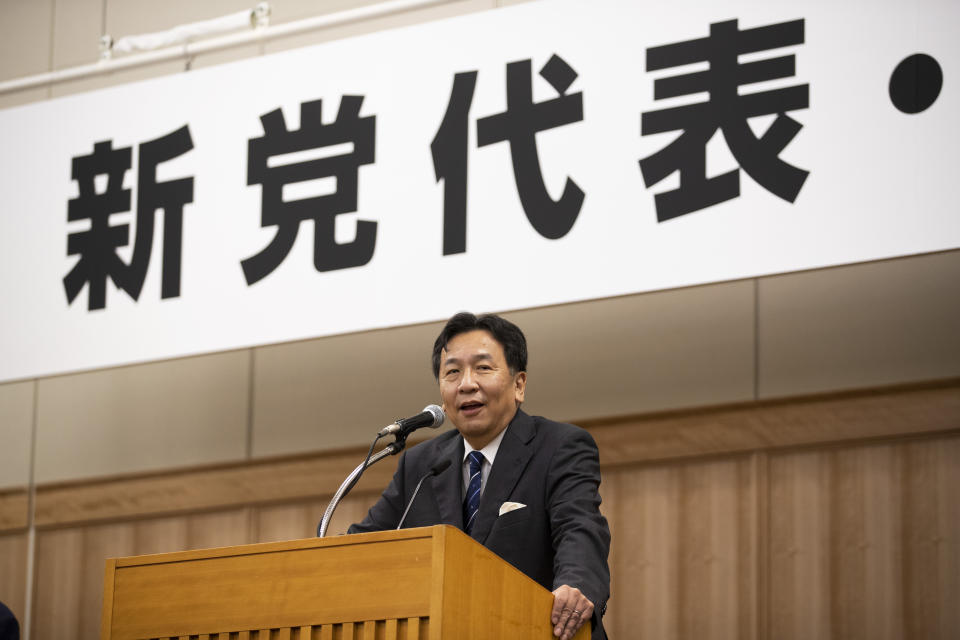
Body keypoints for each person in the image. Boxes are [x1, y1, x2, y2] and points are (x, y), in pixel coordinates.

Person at [348, 312, 611, 640]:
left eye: (483, 368)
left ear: (519, 384)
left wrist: (574, 585)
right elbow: (360, 548)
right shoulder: (420, 465)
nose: (467, 384)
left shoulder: (560, 447)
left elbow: (580, 529)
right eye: (453, 372)